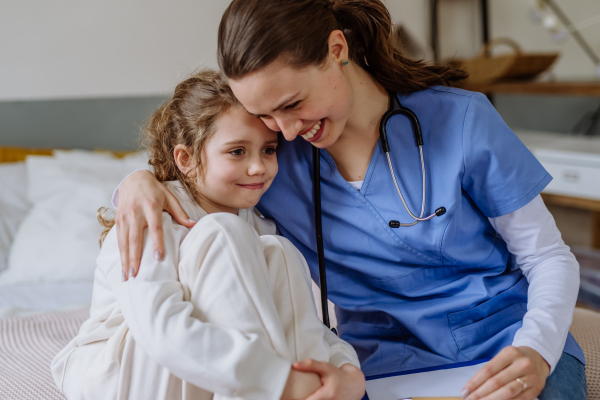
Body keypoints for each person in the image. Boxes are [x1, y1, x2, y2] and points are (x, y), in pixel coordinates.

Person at [112, 1, 587, 399]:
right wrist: (135, 180)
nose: (288, 129)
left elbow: (547, 255)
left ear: (337, 49)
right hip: (379, 366)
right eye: (266, 114)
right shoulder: (274, 161)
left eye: (294, 104)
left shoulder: (460, 120)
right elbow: (197, 181)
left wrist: (537, 350)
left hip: (504, 343)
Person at [51, 69, 364, 400]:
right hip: (115, 374)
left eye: (268, 150)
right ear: (186, 159)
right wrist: (277, 380)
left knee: (280, 251)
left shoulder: (257, 223)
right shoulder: (150, 216)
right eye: (237, 151)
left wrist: (346, 370)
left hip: (197, 365)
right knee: (224, 232)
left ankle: (317, 388)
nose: (258, 167)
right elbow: (160, 329)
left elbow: (303, 320)